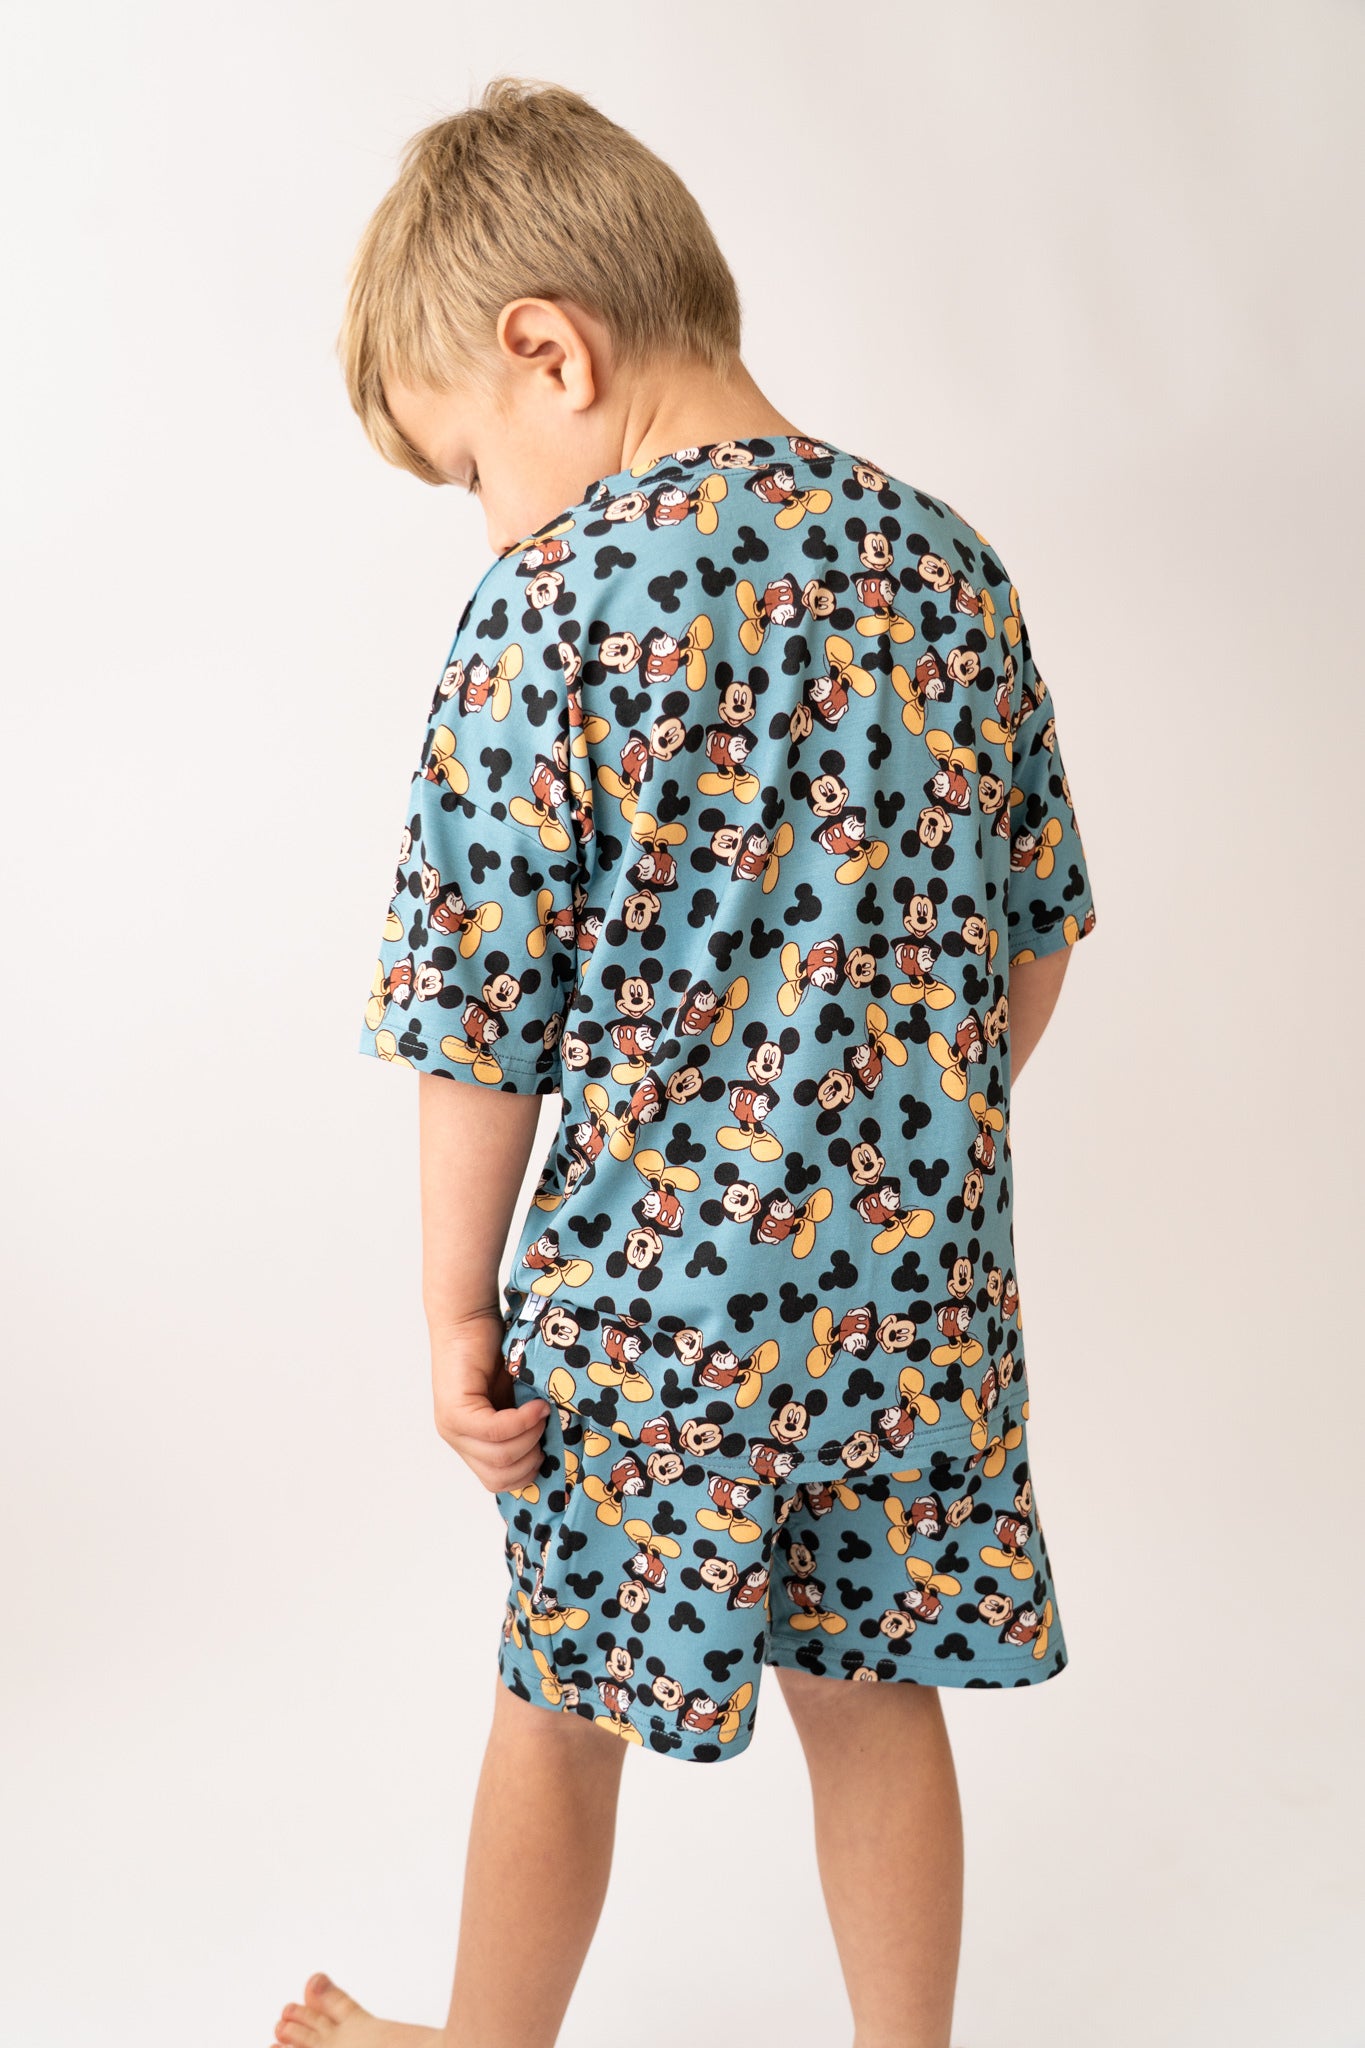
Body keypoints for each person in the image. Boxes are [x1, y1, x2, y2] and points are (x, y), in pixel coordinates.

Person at [274, 73, 1098, 2048]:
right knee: (872, 1695)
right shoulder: (945, 565)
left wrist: (453, 1311)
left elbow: (474, 1016)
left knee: (560, 1707)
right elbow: (1035, 927)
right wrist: (905, 1127)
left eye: (468, 464)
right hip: (913, 1290)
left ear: (545, 352)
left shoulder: (549, 605)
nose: (487, 515)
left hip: (653, 1297)